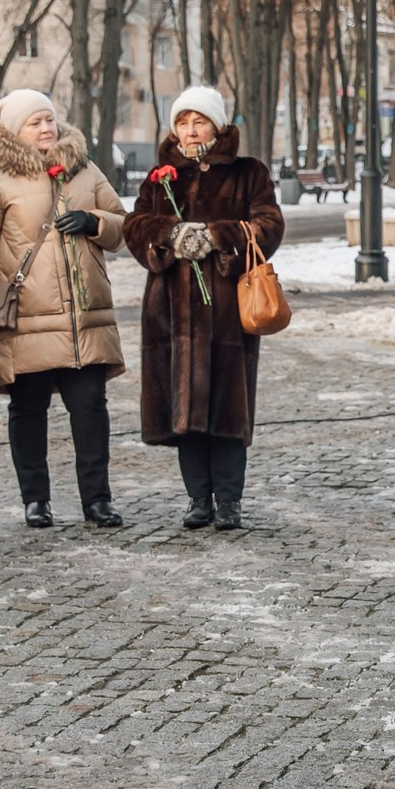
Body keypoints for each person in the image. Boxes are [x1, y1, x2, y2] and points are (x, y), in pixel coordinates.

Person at [123, 85, 283, 531]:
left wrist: (217, 236)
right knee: (185, 411)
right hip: (171, 313)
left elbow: (269, 224)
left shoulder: (248, 173)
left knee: (228, 408)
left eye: (199, 122)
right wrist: (171, 235)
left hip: (228, 311)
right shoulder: (160, 176)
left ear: (216, 124)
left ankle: (229, 501)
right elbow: (135, 226)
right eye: (182, 122)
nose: (190, 131)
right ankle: (198, 499)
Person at [0, 89, 127, 530]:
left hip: (83, 318)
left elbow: (121, 228)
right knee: (28, 410)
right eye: (34, 122)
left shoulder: (84, 169)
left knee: (91, 409)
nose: (45, 128)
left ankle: (98, 499)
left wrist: (95, 221)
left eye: (49, 119)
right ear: (14, 131)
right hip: (24, 320)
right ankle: (36, 500)